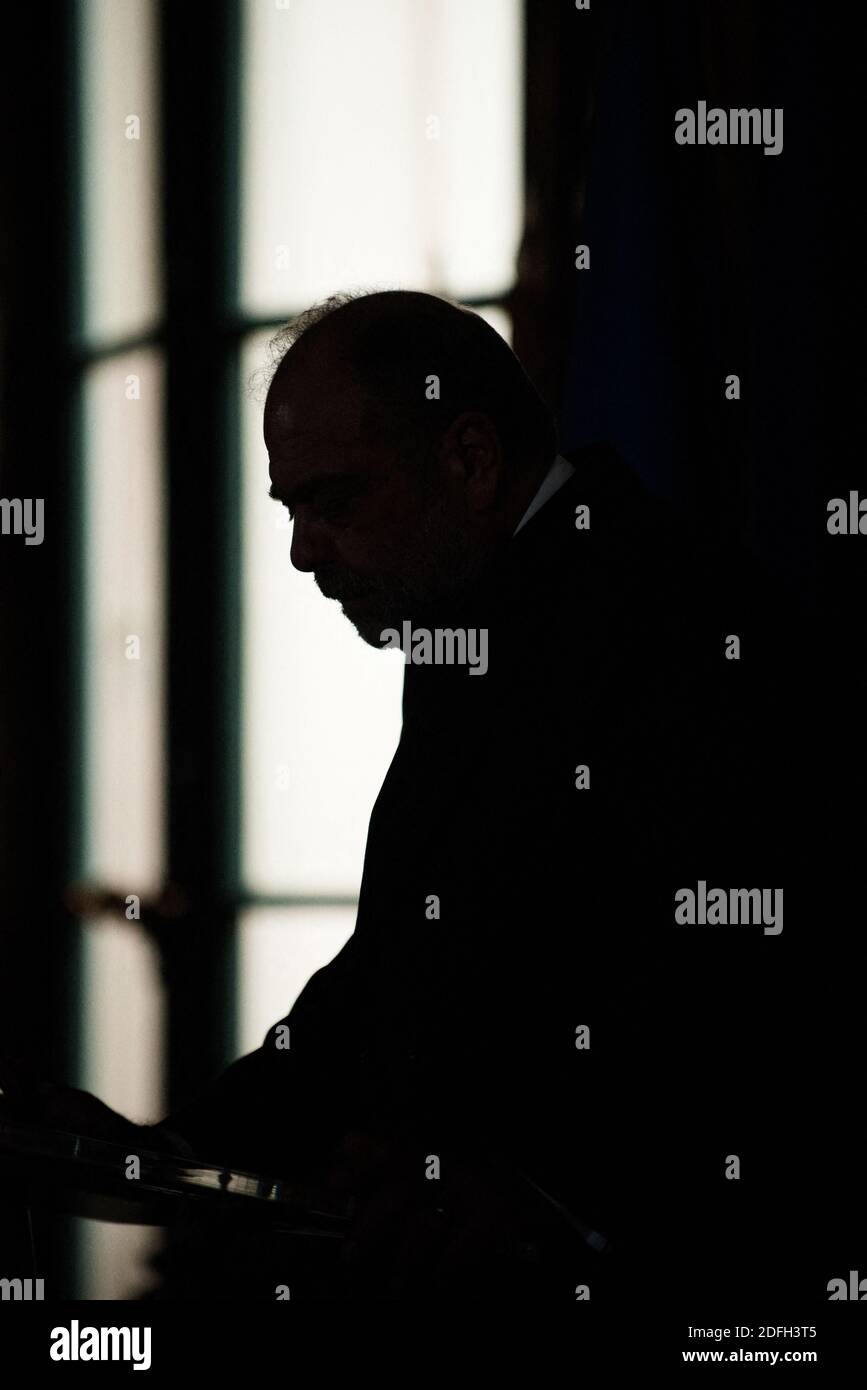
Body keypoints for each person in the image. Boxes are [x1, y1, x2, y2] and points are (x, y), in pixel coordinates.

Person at [0, 291, 856, 1302]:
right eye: (291, 508)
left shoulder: (694, 630)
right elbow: (398, 968)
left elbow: (767, 997)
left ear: (469, 459)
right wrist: (177, 1146)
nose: (302, 552)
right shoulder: (479, 599)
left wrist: (542, 1190)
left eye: (336, 501)